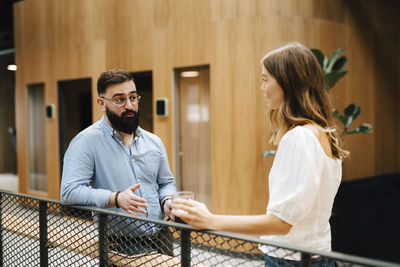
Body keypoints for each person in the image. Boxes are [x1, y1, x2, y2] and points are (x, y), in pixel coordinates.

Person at [172, 42, 349, 266]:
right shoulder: (326, 135)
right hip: (317, 255)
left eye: (265, 79)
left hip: (290, 259)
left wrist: (210, 220)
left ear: (287, 82)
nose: (262, 87)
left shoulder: (299, 138)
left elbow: (281, 223)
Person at [60, 69, 177, 256]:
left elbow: (166, 183)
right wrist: (115, 198)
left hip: (161, 237)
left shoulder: (153, 141)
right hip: (118, 245)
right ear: (101, 103)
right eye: (119, 100)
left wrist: (168, 200)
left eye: (133, 97)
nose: (129, 105)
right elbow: (69, 191)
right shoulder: (86, 142)